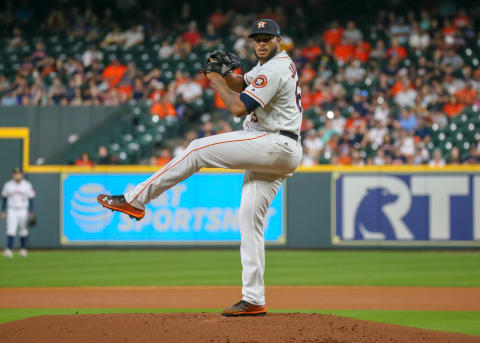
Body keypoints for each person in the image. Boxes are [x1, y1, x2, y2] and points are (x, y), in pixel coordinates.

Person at [97, 19, 302, 317]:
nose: (261, 42)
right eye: (257, 38)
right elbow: (242, 84)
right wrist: (225, 75)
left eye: (267, 38)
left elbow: (237, 107)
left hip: (274, 143)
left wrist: (214, 80)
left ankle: (135, 200)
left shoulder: (274, 69)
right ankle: (254, 298)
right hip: (279, 148)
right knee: (249, 219)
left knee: (196, 149)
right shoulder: (269, 66)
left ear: (278, 40)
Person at [2, 168, 35, 258]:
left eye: (19, 174)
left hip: (23, 210)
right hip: (11, 209)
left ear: (22, 175)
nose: (17, 175)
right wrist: (3, 210)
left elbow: (31, 199)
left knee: (23, 230)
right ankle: (9, 250)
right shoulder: (8, 185)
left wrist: (31, 211)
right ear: (13, 175)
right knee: (10, 230)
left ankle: (23, 250)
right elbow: (4, 199)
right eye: (16, 174)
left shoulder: (27, 185)